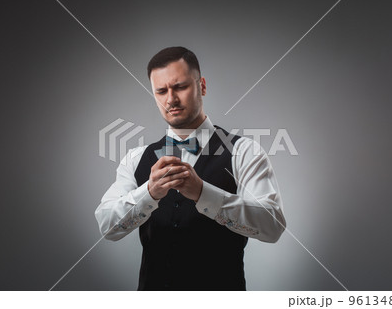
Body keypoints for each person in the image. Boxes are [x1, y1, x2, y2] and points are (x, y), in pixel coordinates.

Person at [95, 46, 286, 291]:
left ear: (202, 86)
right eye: (161, 91)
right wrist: (149, 193)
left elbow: (273, 227)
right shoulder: (135, 158)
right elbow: (107, 228)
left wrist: (203, 193)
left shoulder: (244, 152)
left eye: (180, 87)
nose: (171, 99)